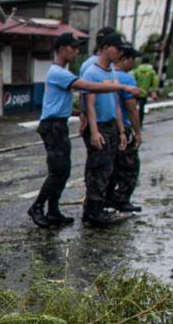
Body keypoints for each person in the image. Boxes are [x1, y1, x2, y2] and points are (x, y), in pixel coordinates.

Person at [28, 33, 126, 228]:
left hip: (58, 123)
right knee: (58, 171)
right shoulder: (58, 72)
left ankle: (53, 211)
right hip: (52, 126)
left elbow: (58, 104)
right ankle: (37, 207)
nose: (76, 52)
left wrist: (77, 113)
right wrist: (122, 87)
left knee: (62, 171)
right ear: (63, 48)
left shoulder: (61, 72)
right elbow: (87, 86)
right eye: (73, 48)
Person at [79, 32, 128, 227]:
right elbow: (89, 104)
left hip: (110, 126)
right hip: (98, 126)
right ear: (107, 48)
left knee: (107, 169)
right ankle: (92, 211)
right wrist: (94, 131)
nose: (119, 54)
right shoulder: (91, 73)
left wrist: (121, 130)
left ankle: (96, 209)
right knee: (97, 170)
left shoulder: (113, 73)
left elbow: (116, 103)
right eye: (117, 49)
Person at [106, 45, 144, 213]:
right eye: (132, 60)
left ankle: (106, 198)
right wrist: (138, 132)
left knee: (111, 165)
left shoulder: (108, 74)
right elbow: (131, 108)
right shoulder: (127, 79)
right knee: (130, 166)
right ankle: (121, 198)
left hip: (108, 126)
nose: (133, 64)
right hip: (124, 127)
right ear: (125, 59)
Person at [132, 57, 159, 123]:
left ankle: (133, 122)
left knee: (133, 108)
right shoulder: (151, 71)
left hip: (135, 91)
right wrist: (154, 91)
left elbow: (132, 80)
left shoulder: (137, 70)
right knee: (142, 107)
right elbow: (155, 82)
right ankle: (140, 123)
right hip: (144, 92)